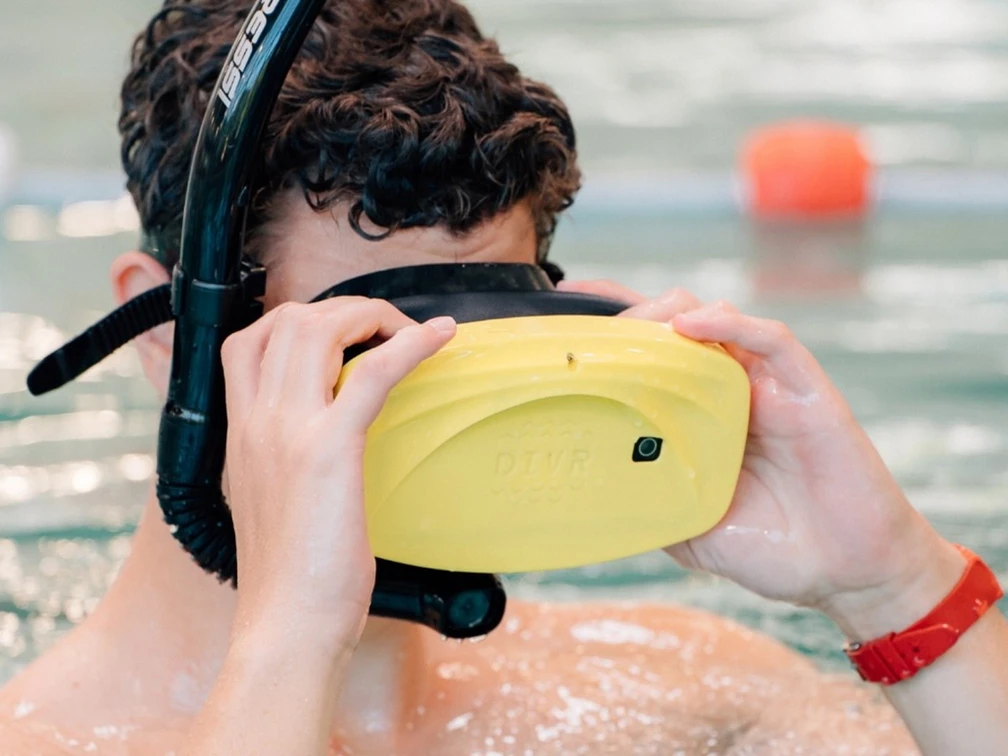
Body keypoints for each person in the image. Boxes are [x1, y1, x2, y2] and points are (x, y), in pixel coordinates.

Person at [1, 1, 1006, 754]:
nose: (446, 401)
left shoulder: (669, 693)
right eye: (364, 351)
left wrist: (895, 584)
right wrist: (293, 644)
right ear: (170, 339)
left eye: (481, 335)